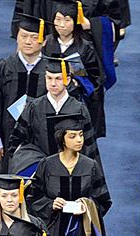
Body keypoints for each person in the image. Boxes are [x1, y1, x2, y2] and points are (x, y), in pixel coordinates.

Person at [0, 13, 47, 201]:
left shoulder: (51, 70)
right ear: (16, 37)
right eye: (23, 36)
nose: (28, 42)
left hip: (39, 139)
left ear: (43, 41)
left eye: (34, 37)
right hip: (6, 136)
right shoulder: (3, 67)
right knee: (5, 188)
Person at [8, 57, 101, 166]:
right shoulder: (34, 107)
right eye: (49, 78)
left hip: (70, 171)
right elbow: (17, 141)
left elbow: (88, 148)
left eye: (58, 78)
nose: (53, 83)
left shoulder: (78, 109)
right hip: (39, 171)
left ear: (68, 80)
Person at [42, 1, 106, 137]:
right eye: (57, 19)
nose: (62, 25)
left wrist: (78, 81)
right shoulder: (47, 44)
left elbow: (95, 79)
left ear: (76, 22)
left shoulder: (85, 47)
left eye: (67, 20)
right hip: (48, 102)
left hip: (76, 104)